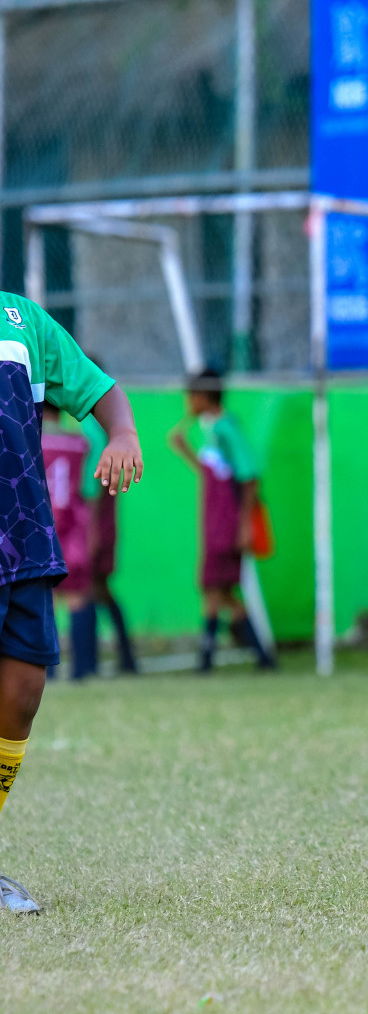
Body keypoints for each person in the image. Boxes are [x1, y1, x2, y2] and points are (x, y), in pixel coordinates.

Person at [0, 294, 142, 914]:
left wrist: (124, 432)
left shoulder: (22, 320)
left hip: (25, 538)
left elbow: (97, 387)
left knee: (23, 693)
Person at [168, 369, 275, 673]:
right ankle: (261, 657)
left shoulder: (227, 428)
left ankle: (209, 660)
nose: (188, 402)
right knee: (222, 591)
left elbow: (249, 476)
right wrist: (185, 450)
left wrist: (243, 526)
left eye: (191, 396)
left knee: (214, 588)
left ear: (203, 397)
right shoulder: (211, 429)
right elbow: (211, 473)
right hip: (213, 521)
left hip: (226, 523)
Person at [39, 403, 95, 680]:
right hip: (73, 530)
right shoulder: (79, 443)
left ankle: (47, 672)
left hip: (39, 531)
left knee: (43, 598)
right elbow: (88, 489)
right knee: (76, 598)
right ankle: (82, 669)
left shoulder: (27, 439)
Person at [80, 414, 136, 674]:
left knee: (87, 588)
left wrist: (89, 530)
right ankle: (126, 657)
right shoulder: (107, 428)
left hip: (94, 521)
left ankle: (88, 663)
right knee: (100, 588)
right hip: (103, 520)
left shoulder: (92, 430)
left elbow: (94, 484)